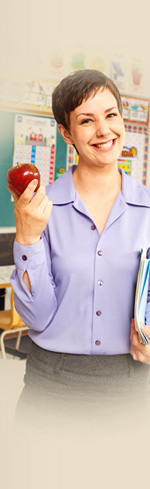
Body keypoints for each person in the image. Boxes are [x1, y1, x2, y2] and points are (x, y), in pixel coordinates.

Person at [7, 69, 150, 430]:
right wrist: (27, 236)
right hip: (52, 387)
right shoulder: (42, 208)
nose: (104, 130)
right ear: (67, 133)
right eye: (87, 120)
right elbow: (37, 318)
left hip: (134, 388)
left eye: (111, 115)